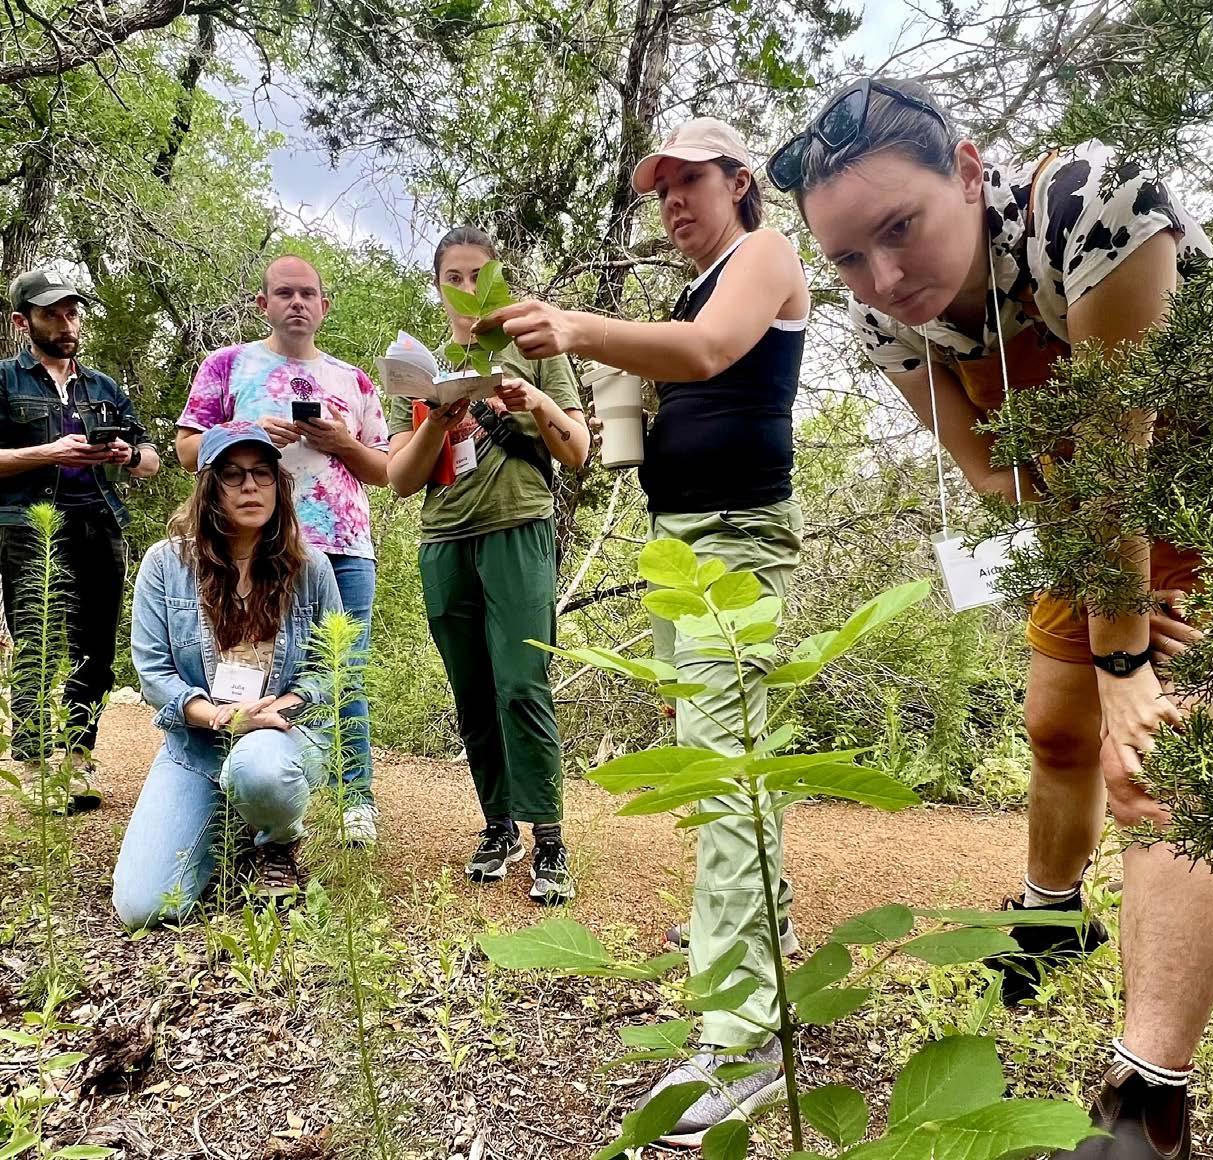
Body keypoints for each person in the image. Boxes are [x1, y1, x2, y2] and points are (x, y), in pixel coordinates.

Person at [769, 76, 1213, 1159]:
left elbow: (1118, 453)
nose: (883, 278)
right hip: (1094, 505)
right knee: (1055, 728)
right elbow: (994, 477)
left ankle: (1146, 1107)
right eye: (848, 257)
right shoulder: (887, 322)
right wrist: (1107, 604)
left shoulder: (1089, 207)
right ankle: (1051, 915)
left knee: (1158, 767)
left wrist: (1126, 656)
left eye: (899, 229)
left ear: (965, 171)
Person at [474, 119, 811, 1146]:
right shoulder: (690, 289)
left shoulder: (766, 253)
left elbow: (709, 353)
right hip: (679, 547)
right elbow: (642, 405)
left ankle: (744, 1042)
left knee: (723, 781)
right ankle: (763, 936)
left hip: (735, 543)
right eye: (661, 190)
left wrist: (577, 327)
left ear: (738, 181)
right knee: (719, 767)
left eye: (689, 182)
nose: (672, 203)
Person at [385, 227, 589, 905]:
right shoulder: (418, 369)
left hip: (517, 529)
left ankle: (549, 836)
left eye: (479, 275)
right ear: (438, 286)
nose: (468, 289)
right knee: (472, 691)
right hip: (444, 539)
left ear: (499, 279)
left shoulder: (537, 351)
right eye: (455, 277)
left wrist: (533, 401)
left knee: (522, 684)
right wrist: (437, 423)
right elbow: (401, 480)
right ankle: (498, 825)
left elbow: (578, 450)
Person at [173, 257, 389, 845]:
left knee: (343, 673)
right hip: (252, 548)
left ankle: (354, 800)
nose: (297, 303)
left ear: (324, 306)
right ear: (263, 303)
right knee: (247, 664)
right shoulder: (227, 365)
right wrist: (249, 432)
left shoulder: (353, 380)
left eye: (308, 294)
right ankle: (248, 789)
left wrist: (341, 441)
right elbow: (188, 452)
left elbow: (385, 469)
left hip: (342, 547)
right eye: (285, 293)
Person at [113, 423, 343, 930]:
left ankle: (276, 841)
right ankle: (234, 820)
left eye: (262, 473)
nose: (250, 487)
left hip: (282, 737)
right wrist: (221, 718)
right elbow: (153, 672)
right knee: (145, 906)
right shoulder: (165, 564)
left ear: (279, 484)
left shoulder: (311, 567)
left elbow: (331, 669)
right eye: (233, 475)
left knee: (259, 767)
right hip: (197, 745)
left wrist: (277, 711)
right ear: (209, 487)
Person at [0, 268, 160, 809]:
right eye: (52, 315)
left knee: (96, 649)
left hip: (99, 524)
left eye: (72, 313)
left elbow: (151, 459)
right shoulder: (6, 381)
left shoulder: (104, 387)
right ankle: (33, 768)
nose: (67, 324)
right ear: (23, 322)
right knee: (37, 644)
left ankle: (76, 761)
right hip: (29, 526)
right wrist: (49, 452)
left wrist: (127, 455)